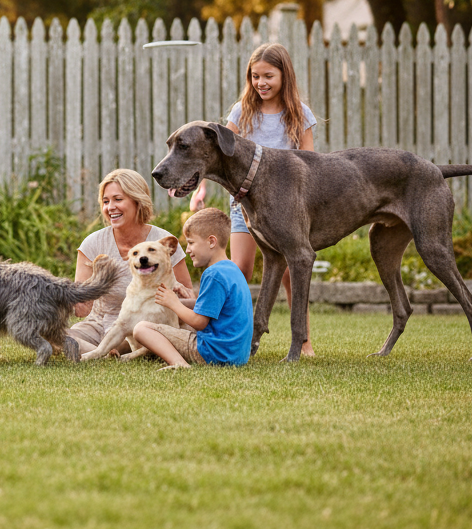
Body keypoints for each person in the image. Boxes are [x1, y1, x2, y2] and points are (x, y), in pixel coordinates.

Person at [190, 42, 318, 356]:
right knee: (240, 269)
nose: (261, 82)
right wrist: (201, 187)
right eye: (255, 76)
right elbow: (218, 152)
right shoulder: (242, 111)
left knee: (291, 272)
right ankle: (236, 337)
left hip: (287, 209)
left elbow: (311, 161)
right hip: (244, 207)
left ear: (284, 75)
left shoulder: (299, 113)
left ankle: (304, 341)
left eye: (268, 76)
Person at [67, 168, 194, 356]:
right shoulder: (93, 243)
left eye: (118, 199)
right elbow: (81, 309)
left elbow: (189, 301)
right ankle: (104, 352)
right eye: (105, 201)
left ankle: (106, 352)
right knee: (55, 336)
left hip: (148, 325)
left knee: (174, 333)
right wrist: (64, 298)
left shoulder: (163, 242)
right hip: (100, 325)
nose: (110, 207)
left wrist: (181, 296)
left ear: (137, 201)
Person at [133, 207, 253, 368]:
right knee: (172, 321)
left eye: (191, 243)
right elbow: (213, 310)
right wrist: (184, 301)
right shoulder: (232, 270)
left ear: (211, 242)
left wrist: (173, 303)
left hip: (213, 353)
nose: (188, 249)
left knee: (142, 329)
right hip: (236, 356)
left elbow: (199, 322)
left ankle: (179, 363)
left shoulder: (213, 274)